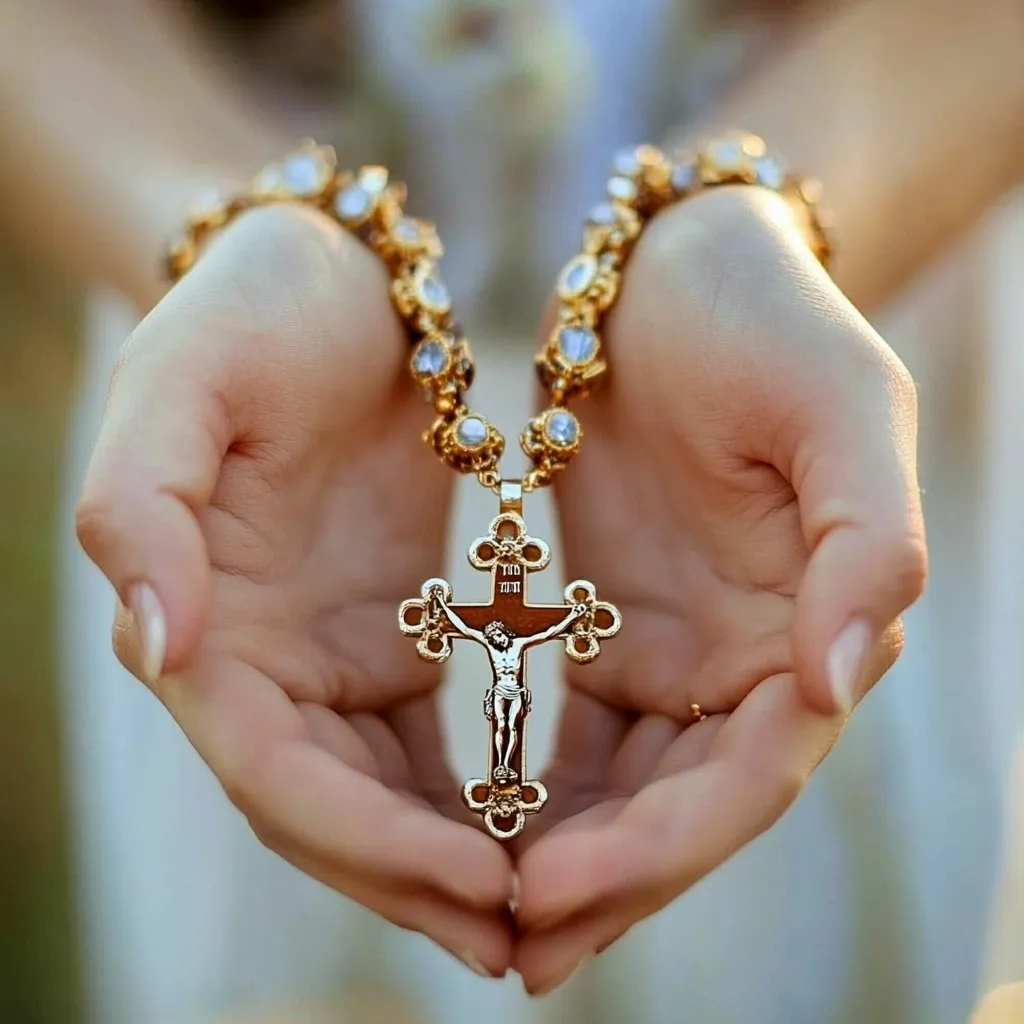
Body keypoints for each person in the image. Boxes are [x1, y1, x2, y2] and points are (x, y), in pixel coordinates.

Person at [1, 1, 1021, 1021]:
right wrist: (228, 225)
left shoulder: (535, 613)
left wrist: (763, 225)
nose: (506, 623)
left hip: (791, 379)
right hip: (267, 432)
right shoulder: (482, 611)